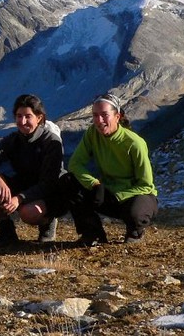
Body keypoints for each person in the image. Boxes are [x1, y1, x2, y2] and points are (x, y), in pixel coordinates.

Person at [65, 93, 158, 245]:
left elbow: (146, 184)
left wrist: (119, 195)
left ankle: (135, 232)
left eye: (104, 115)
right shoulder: (92, 134)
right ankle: (92, 233)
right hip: (107, 192)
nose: (99, 120)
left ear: (117, 116)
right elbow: (75, 163)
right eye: (95, 115)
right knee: (68, 181)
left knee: (136, 213)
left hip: (135, 195)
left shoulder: (134, 143)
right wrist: (93, 184)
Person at [0, 94, 66, 246]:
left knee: (27, 213)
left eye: (28, 116)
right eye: (19, 116)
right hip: (24, 184)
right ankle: (6, 229)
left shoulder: (51, 142)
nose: (22, 122)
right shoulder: (14, 139)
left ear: (39, 117)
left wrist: (19, 198)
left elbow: (48, 183)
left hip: (50, 193)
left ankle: (48, 222)